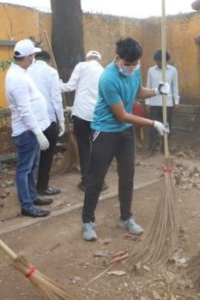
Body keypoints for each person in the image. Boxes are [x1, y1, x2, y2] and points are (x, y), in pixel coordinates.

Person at [81, 38, 170, 241]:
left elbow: (137, 92)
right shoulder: (107, 79)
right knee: (96, 179)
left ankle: (126, 218)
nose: (131, 68)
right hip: (104, 131)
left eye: (134, 63)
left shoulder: (136, 69)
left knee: (127, 176)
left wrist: (156, 91)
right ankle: (87, 221)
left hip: (125, 132)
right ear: (117, 58)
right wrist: (152, 123)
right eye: (127, 64)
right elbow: (121, 114)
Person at [5, 39, 53, 218]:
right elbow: (25, 111)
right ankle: (26, 205)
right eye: (32, 56)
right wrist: (39, 133)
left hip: (31, 129)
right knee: (24, 169)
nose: (33, 59)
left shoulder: (21, 73)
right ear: (27, 58)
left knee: (32, 166)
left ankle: (32, 196)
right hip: (27, 131)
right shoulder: (16, 78)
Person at [60, 50, 105, 191]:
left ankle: (86, 181)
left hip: (80, 115)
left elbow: (70, 87)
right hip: (98, 115)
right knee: (99, 149)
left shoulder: (81, 66)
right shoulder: (104, 71)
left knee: (84, 147)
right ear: (99, 59)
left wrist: (58, 84)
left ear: (87, 58)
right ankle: (100, 182)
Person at [28, 50, 64, 196]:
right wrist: (61, 119)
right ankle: (42, 186)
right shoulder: (51, 72)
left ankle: (28, 189)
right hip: (48, 118)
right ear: (48, 60)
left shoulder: (27, 70)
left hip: (30, 119)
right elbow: (56, 98)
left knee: (29, 157)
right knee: (47, 155)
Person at [144, 50, 180, 158]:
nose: (159, 63)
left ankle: (165, 148)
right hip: (154, 102)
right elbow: (148, 86)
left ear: (166, 61)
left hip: (168, 103)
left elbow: (175, 87)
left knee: (167, 126)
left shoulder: (173, 70)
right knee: (153, 127)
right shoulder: (151, 70)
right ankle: (151, 149)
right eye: (157, 61)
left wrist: (176, 101)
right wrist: (147, 103)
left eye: (161, 61)